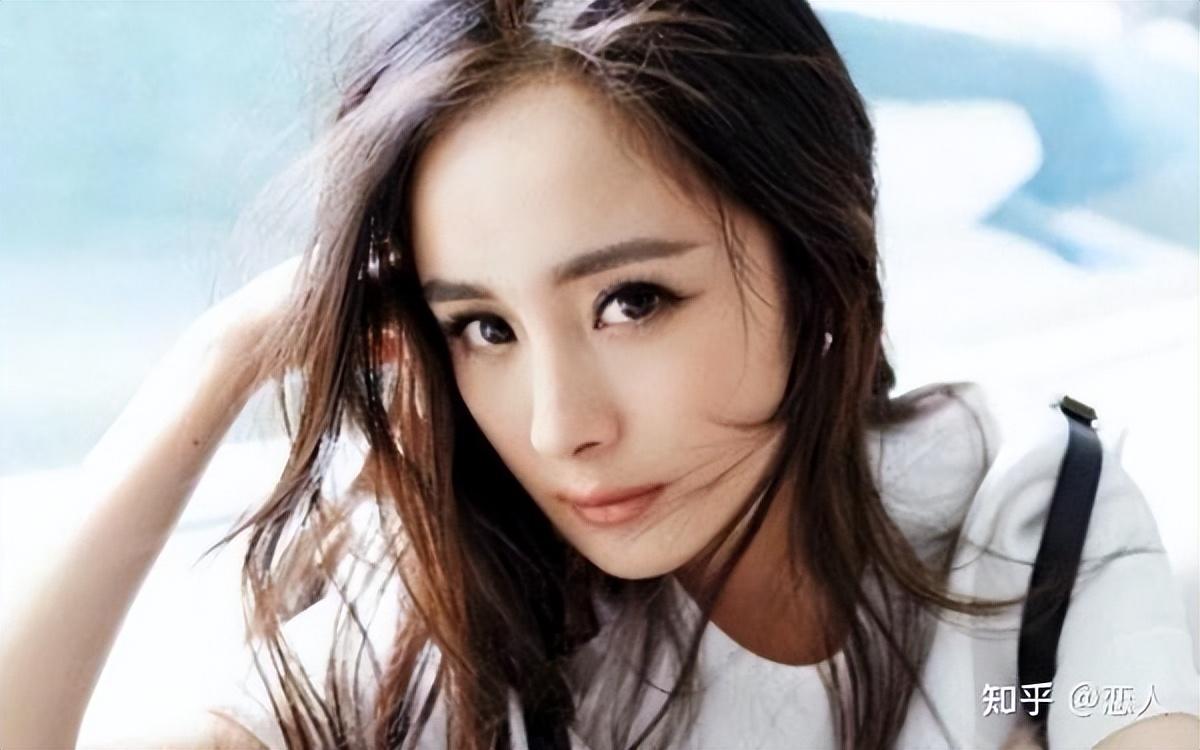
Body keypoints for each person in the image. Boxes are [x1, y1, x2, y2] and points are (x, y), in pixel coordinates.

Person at [1, 2, 1196, 748]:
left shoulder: (1030, 528)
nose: (558, 428)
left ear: (812, 263)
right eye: (483, 327)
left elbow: (1122, 718)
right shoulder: (445, 620)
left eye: (632, 303)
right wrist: (217, 363)